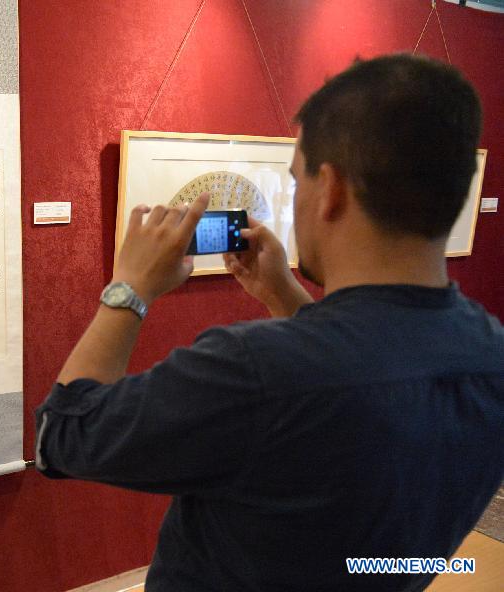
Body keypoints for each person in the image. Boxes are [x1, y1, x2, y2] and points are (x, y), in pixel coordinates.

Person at [34, 54, 503, 591]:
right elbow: (370, 379)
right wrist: (285, 295)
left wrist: (129, 290)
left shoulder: (254, 369)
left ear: (331, 190)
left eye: (297, 181)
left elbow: (63, 435)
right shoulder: (491, 356)